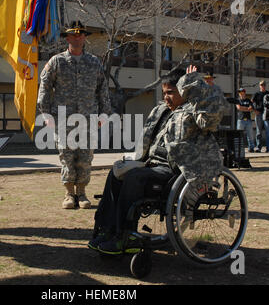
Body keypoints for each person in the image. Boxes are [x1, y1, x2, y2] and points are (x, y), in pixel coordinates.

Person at [88, 66, 229, 254]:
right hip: (151, 164)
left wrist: (194, 83)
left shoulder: (196, 112)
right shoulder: (160, 110)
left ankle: (124, 235)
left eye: (171, 92)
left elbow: (211, 116)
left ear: (184, 91)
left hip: (177, 170)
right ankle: (105, 229)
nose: (166, 97)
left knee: (135, 177)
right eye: (164, 93)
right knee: (116, 173)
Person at [37, 21, 112, 210]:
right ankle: (69, 194)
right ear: (68, 38)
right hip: (63, 119)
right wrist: (45, 113)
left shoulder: (94, 62)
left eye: (81, 35)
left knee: (85, 158)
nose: (77, 38)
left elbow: (102, 89)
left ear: (84, 37)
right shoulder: (57, 61)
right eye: (74, 35)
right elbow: (45, 87)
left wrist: (104, 113)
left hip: (88, 119)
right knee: (67, 156)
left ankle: (82, 193)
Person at [236, 88, 256, 153]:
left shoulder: (248, 100)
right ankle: (239, 148)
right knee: (239, 135)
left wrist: (244, 108)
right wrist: (247, 108)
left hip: (248, 120)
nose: (241, 93)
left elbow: (251, 108)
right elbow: (239, 108)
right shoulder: (238, 100)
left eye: (242, 92)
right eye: (239, 92)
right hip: (240, 120)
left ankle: (251, 148)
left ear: (244, 92)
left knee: (250, 135)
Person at [251, 80, 269, 152]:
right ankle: (258, 147)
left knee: (268, 131)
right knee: (259, 131)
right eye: (261, 85)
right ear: (259, 85)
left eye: (264, 84)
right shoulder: (256, 94)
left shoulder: (268, 93)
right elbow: (251, 102)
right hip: (259, 114)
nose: (263, 86)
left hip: (267, 114)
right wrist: (254, 110)